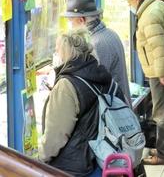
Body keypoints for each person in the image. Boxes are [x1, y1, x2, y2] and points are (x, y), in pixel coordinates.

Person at [39, 29, 127, 176]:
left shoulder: (66, 86)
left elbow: (56, 136)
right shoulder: (106, 78)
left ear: (64, 53)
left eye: (56, 51)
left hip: (78, 166)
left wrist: (40, 158)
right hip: (109, 160)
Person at [124, 0, 164, 165]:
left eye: (129, 1)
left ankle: (163, 154)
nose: (129, 5)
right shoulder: (159, 5)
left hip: (161, 70)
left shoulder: (149, 15)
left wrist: (161, 73)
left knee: (161, 113)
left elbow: (159, 47)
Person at [63, 0, 131, 100]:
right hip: (118, 104)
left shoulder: (95, 44)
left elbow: (92, 84)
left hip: (111, 108)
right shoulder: (109, 33)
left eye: (71, 21)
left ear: (81, 20)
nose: (70, 25)